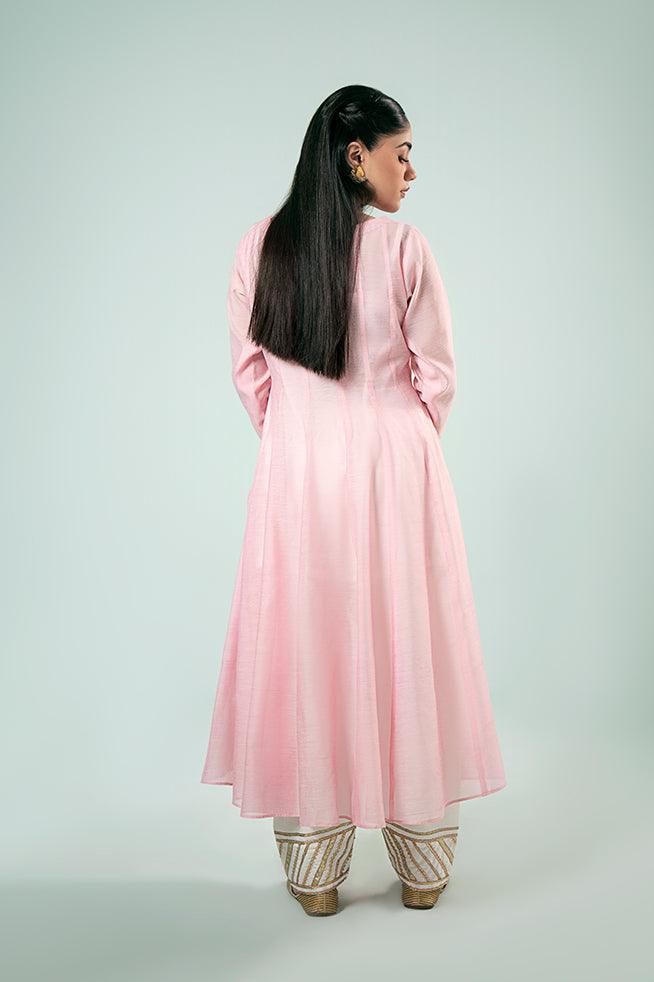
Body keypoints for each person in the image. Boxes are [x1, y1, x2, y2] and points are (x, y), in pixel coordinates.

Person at [200, 84, 507, 916]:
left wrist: (303, 436)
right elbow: (436, 375)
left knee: (308, 642)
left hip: (296, 472)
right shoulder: (404, 248)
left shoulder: (259, 247)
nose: (411, 170)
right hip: (395, 467)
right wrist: (396, 438)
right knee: (408, 635)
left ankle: (316, 876)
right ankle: (423, 865)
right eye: (401, 153)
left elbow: (251, 378)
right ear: (355, 156)